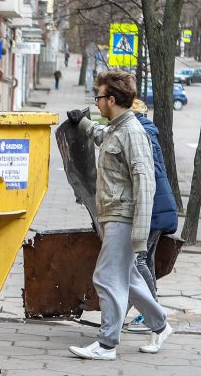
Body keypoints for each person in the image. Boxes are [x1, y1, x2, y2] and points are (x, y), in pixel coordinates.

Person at [66, 71, 173, 360]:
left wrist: (140, 235)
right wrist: (84, 123)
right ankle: (160, 325)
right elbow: (103, 138)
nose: (97, 102)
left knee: (106, 276)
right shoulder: (118, 127)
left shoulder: (134, 133)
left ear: (111, 99)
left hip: (123, 217)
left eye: (99, 97)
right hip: (114, 214)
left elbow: (145, 183)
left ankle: (107, 344)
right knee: (129, 278)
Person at [125, 99, 178, 332]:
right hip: (159, 206)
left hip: (152, 208)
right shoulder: (149, 132)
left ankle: (154, 314)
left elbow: (143, 177)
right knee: (144, 261)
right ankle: (145, 314)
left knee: (137, 261)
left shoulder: (140, 135)